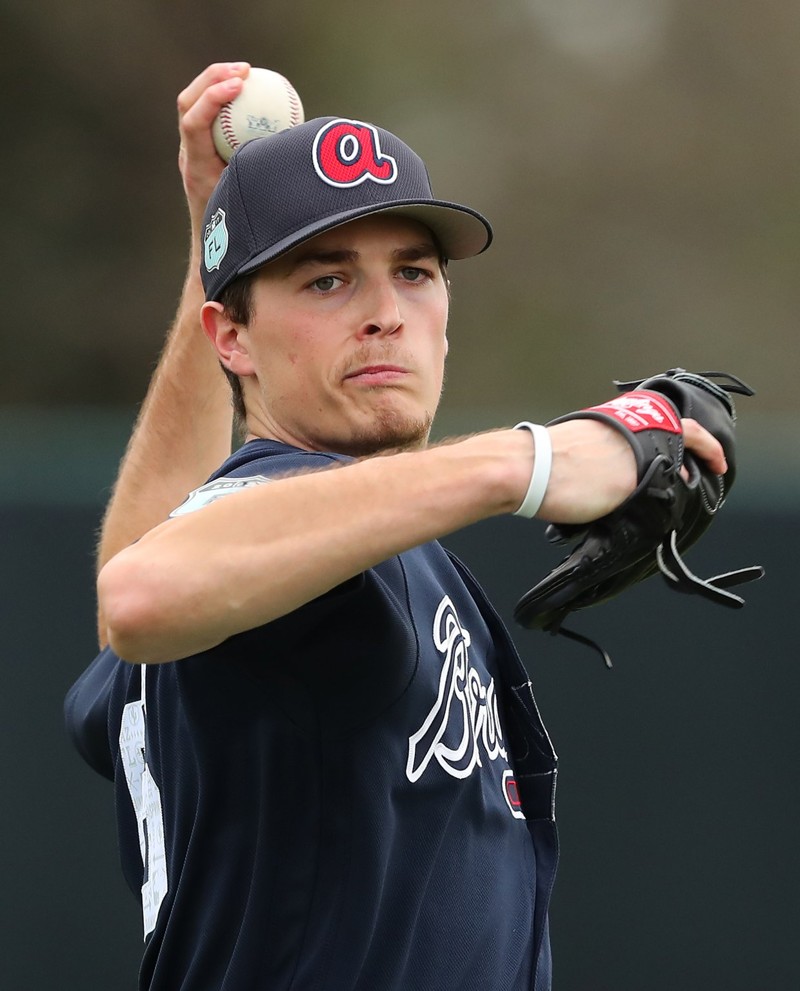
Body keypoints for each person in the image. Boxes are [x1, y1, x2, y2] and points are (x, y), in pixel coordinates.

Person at [64, 63, 727, 991]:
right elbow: (139, 593)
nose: (385, 315)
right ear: (234, 339)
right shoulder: (290, 536)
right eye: (328, 280)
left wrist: (213, 232)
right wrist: (527, 461)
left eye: (414, 272)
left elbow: (142, 590)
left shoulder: (284, 557)